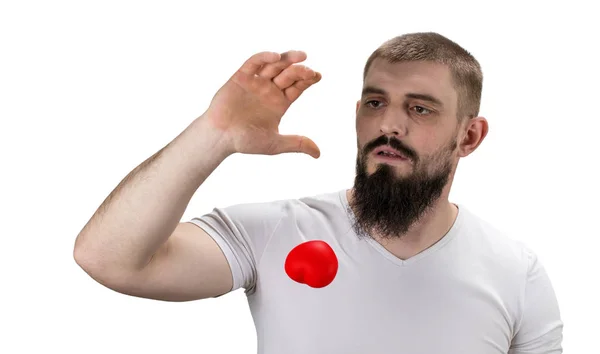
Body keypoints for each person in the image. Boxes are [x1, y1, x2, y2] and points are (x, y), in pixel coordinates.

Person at [73, 32, 563, 353]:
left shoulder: (516, 272)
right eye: (376, 102)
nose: (388, 124)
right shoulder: (274, 232)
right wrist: (215, 134)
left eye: (420, 109)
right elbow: (108, 258)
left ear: (469, 137)